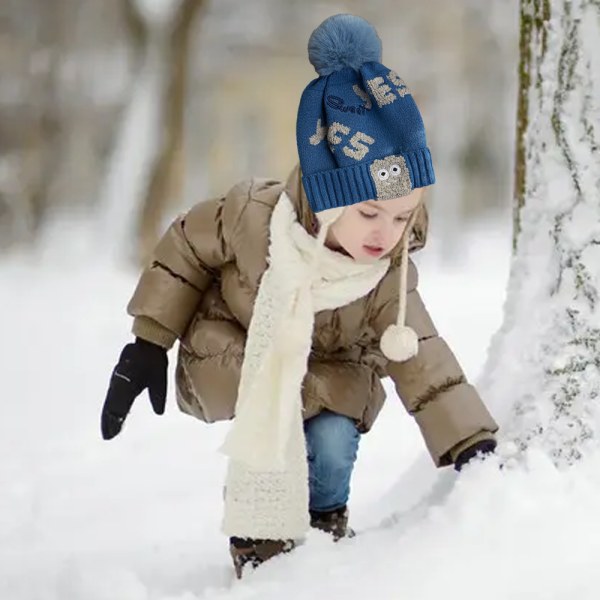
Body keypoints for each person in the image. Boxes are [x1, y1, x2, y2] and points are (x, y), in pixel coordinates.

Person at [100, 14, 499, 579]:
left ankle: (323, 526)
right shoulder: (252, 217)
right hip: (244, 357)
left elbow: (421, 353)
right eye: (369, 213)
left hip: (334, 374)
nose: (386, 234)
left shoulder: (388, 269)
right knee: (274, 422)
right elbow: (184, 248)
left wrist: (469, 439)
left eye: (402, 216)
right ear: (330, 196)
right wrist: (148, 342)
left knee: (332, 441)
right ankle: (258, 545)